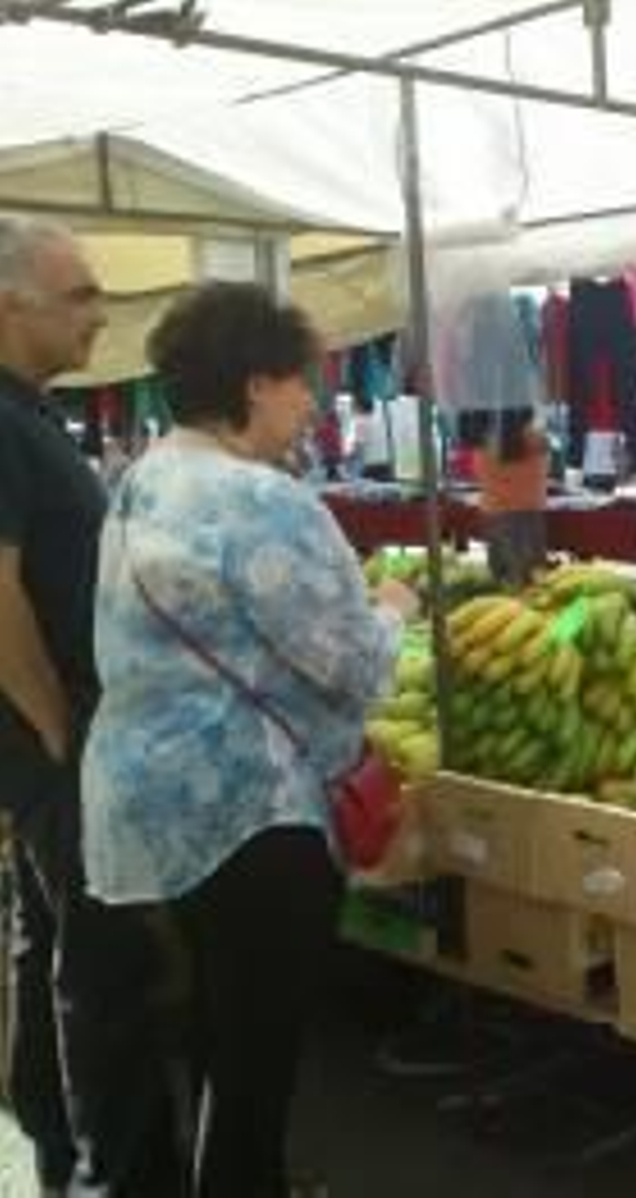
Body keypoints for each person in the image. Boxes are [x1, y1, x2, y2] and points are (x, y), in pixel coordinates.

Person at [81, 281, 414, 1197]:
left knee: (212, 1034)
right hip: (249, 816)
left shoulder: (141, 480)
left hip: (148, 808)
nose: (310, 401)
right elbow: (354, 667)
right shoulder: (263, 501)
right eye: (300, 382)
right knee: (253, 1058)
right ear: (255, 383)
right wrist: (392, 607)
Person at [0, 215, 190, 1196]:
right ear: (10, 304)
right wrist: (57, 726)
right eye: (78, 294)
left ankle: (60, 1147)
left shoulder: (28, 412)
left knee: (50, 948)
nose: (99, 313)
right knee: (105, 971)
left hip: (51, 741)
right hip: (56, 739)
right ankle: (122, 1173)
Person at [476, 407, 550, 587]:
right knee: (533, 582)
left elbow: (479, 475)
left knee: (502, 580)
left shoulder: (486, 441)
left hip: (497, 519)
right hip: (531, 517)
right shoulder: (539, 440)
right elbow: (545, 470)